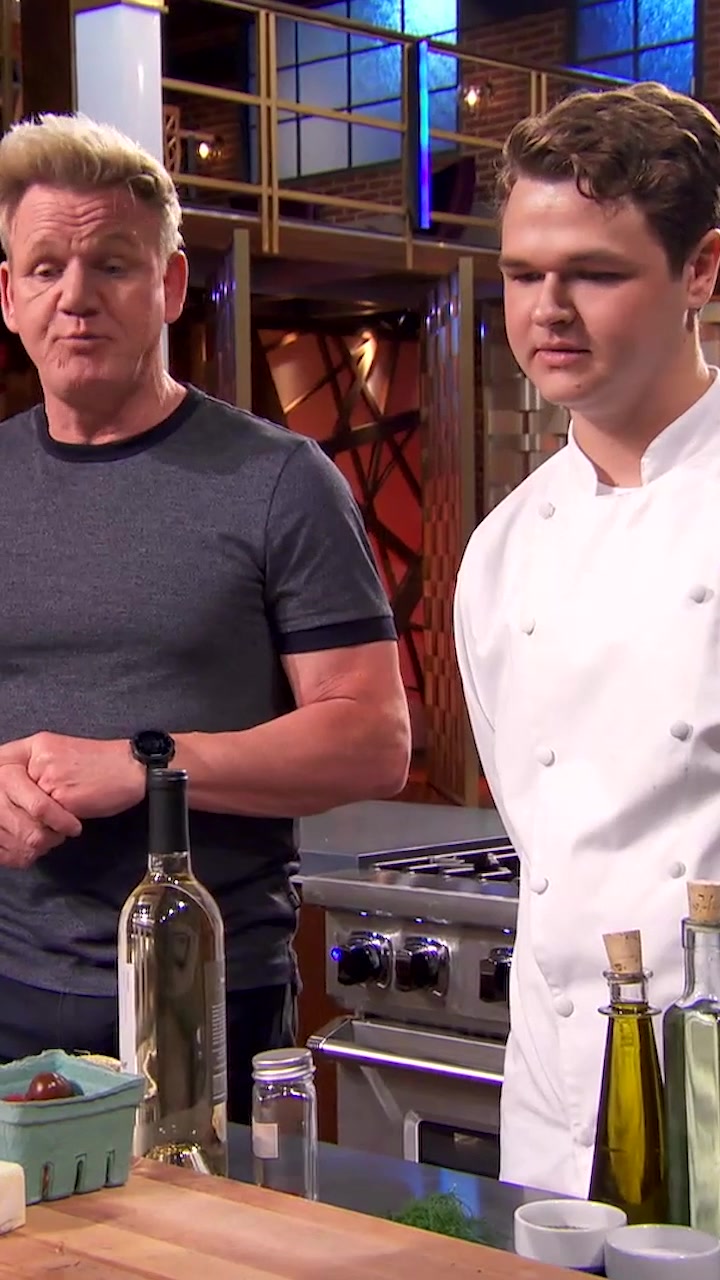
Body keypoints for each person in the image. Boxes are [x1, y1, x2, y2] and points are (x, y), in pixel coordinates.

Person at [0, 112, 411, 1120]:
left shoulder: (278, 481)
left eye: (113, 264)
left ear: (171, 285)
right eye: (46, 267)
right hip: (11, 988)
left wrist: (146, 768)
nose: (76, 296)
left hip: (203, 995)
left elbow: (373, 741)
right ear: (9, 295)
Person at [454, 81, 720, 1197]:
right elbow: (536, 831)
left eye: (596, 274)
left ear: (703, 270)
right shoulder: (503, 549)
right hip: (557, 1104)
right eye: (523, 274)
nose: (548, 310)